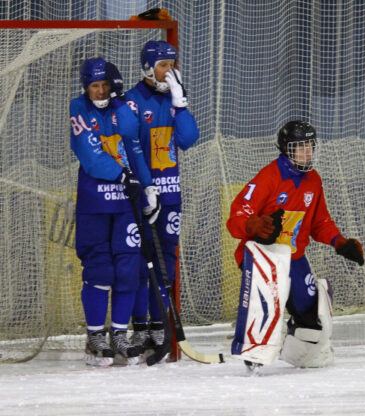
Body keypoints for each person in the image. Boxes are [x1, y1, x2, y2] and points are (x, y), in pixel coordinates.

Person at [226, 120, 364, 371]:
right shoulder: (268, 177)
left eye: (309, 146)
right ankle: (254, 352)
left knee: (312, 315)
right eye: (299, 147)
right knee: (267, 302)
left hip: (294, 257)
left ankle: (297, 352)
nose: (306, 152)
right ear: (286, 149)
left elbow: (320, 221)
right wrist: (253, 225)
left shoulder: (314, 180)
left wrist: (339, 242)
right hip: (263, 256)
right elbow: (236, 215)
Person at [70, 57, 156, 366]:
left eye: (106, 84)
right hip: (94, 203)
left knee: (128, 269)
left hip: (126, 204)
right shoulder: (78, 108)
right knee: (100, 270)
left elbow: (133, 144)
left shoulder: (124, 108)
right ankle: (96, 338)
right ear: (86, 86)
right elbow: (89, 153)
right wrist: (121, 175)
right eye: (95, 85)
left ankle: (120, 334)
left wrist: (147, 187)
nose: (100, 90)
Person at [125, 40, 200, 356]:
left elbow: (188, 139)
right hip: (142, 194)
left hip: (170, 194)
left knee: (166, 261)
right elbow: (130, 145)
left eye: (173, 64)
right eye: (163, 65)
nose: (170, 71)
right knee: (139, 262)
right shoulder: (131, 101)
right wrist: (144, 187)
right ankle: (140, 327)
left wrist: (180, 104)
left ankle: (159, 326)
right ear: (147, 68)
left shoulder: (173, 99)